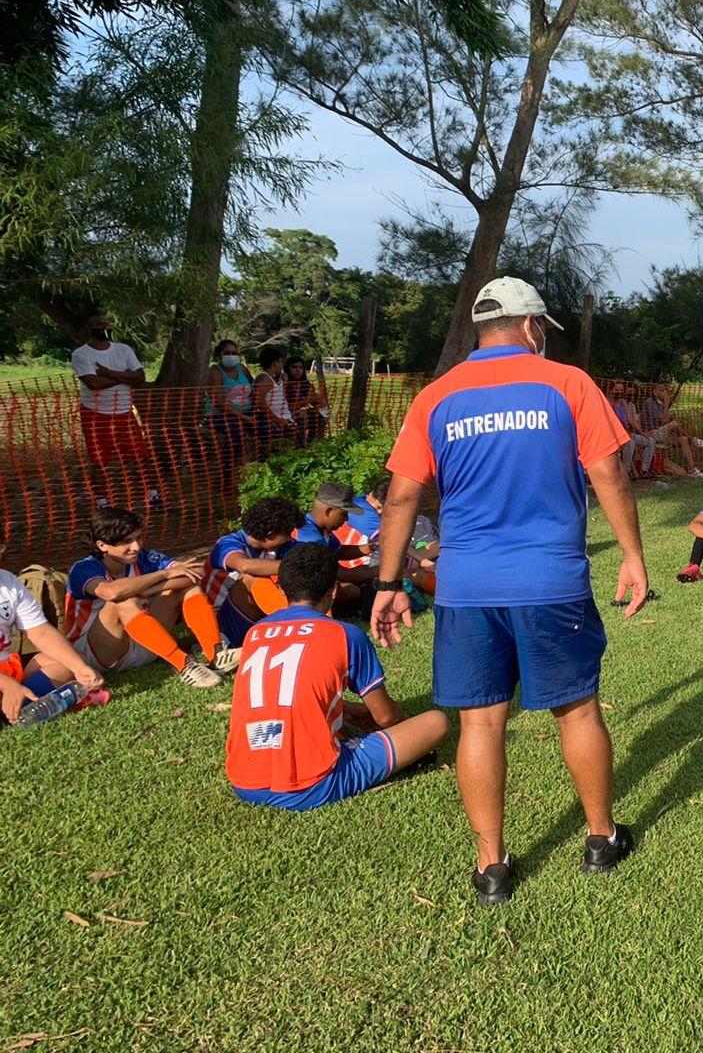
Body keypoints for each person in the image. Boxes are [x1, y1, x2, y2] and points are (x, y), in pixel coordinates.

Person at [373, 275, 648, 904]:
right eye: (542, 329)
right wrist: (632, 556)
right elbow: (608, 473)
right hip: (550, 581)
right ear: (531, 326)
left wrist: (388, 582)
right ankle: (601, 838)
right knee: (577, 709)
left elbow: (403, 497)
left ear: (482, 329)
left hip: (466, 587)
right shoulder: (568, 383)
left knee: (480, 721)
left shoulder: (435, 397)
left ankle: (491, 866)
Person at [226, 544, 448, 811]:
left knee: (334, 725)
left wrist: (344, 709)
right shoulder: (345, 634)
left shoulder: (255, 633)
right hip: (312, 784)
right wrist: (402, 724)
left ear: (282, 590)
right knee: (436, 722)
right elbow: (386, 717)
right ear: (333, 590)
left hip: (244, 781)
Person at [60, 506, 230, 689]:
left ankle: (216, 653)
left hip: (147, 642)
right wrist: (164, 574)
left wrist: (145, 591)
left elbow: (196, 572)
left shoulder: (145, 557)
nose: (136, 547)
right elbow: (111, 593)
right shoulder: (83, 568)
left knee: (188, 586)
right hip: (98, 654)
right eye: (127, 542)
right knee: (122, 602)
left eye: (139, 538)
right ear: (102, 546)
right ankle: (185, 665)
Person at [0, 555, 104, 725]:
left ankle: (19, 707)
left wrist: (79, 668)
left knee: (66, 661)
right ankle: (17, 707)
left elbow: (41, 632)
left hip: (7, 669)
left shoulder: (8, 581)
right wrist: (7, 685)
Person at [70, 313, 159, 511]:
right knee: (99, 461)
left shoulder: (123, 349)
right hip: (95, 414)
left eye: (106, 323)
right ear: (89, 328)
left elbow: (140, 377)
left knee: (141, 456)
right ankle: (102, 503)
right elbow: (93, 383)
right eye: (97, 323)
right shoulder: (81, 354)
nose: (103, 326)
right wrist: (125, 377)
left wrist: (109, 373)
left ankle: (153, 496)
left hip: (124, 412)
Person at [203, 496, 301, 648]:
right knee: (251, 577)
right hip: (219, 621)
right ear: (270, 534)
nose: (290, 538)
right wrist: (296, 565)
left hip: (249, 614)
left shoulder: (278, 546)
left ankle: (306, 624)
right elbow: (244, 566)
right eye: (287, 532)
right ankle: (298, 624)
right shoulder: (227, 543)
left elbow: (305, 555)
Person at [294, 482, 377, 603]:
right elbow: (341, 574)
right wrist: (379, 570)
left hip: (318, 580)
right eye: (344, 513)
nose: (346, 519)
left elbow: (339, 551)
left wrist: (371, 547)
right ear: (329, 511)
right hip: (302, 589)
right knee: (352, 591)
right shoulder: (311, 538)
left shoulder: (322, 528)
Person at [640, 385, 703, 477]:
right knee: (674, 424)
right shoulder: (649, 403)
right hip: (652, 433)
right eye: (661, 390)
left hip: (662, 433)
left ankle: (692, 470)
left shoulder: (660, 403)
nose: (665, 393)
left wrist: (665, 405)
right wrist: (667, 404)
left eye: (665, 390)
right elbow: (664, 420)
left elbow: (666, 420)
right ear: (655, 392)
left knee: (683, 439)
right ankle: (692, 439)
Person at [205, 340, 254, 468]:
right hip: (221, 415)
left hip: (246, 411)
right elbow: (218, 402)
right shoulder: (215, 372)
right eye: (227, 353)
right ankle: (228, 469)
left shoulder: (242, 369)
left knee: (266, 425)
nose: (231, 356)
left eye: (234, 353)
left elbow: (254, 386)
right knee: (237, 434)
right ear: (219, 356)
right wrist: (244, 418)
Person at [606, 382, 656, 478]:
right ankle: (627, 471)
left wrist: (642, 432)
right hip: (613, 434)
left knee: (650, 441)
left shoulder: (624, 403)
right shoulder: (608, 403)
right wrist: (625, 434)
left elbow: (632, 420)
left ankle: (644, 470)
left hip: (626, 433)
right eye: (617, 390)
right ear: (611, 391)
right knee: (630, 442)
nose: (619, 392)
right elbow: (612, 421)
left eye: (621, 390)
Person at [253, 346, 297, 451]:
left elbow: (280, 397)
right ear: (275, 363)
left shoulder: (274, 378)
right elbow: (259, 402)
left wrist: (284, 383)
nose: (282, 365)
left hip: (284, 419)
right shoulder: (264, 378)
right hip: (275, 422)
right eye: (281, 362)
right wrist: (276, 420)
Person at [284, 356, 330, 445]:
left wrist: (320, 403)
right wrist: (305, 402)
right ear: (288, 368)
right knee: (301, 416)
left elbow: (315, 398)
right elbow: (285, 406)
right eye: (294, 367)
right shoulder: (284, 384)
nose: (298, 370)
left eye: (301, 367)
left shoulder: (305, 384)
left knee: (320, 416)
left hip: (302, 414)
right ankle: (299, 446)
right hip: (287, 415)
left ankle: (312, 444)